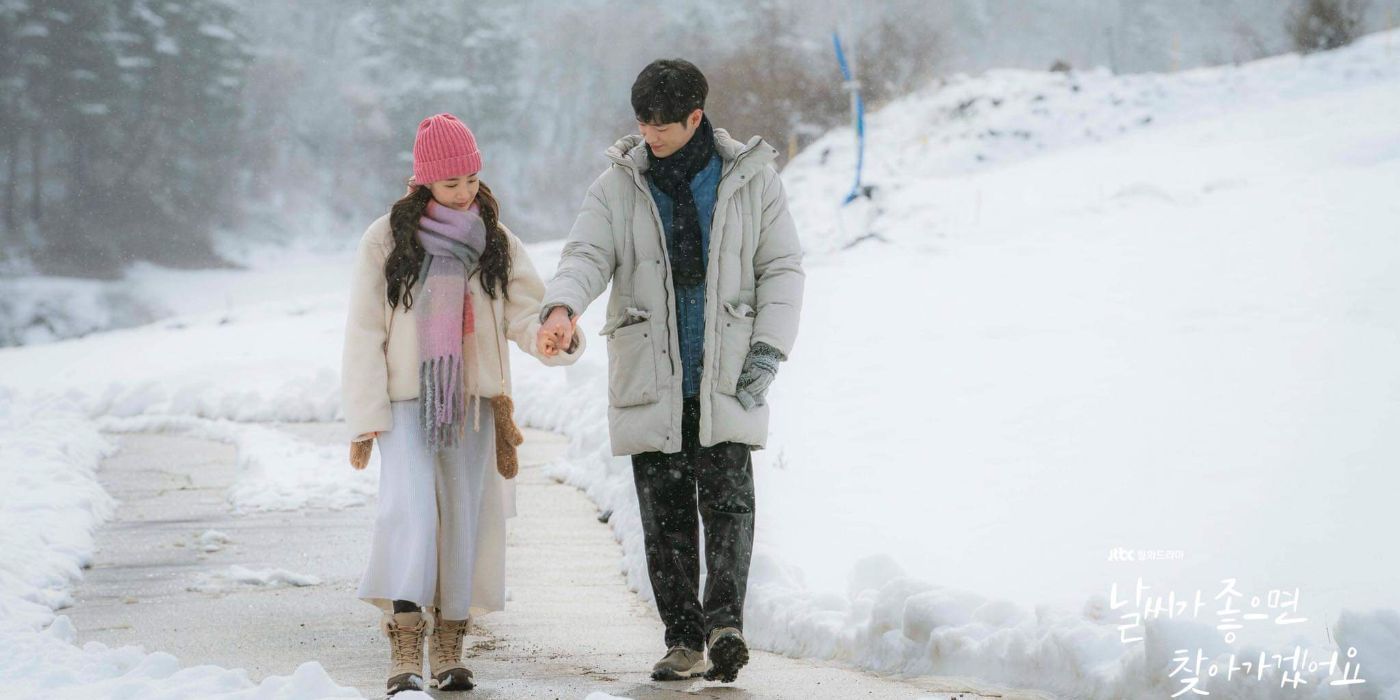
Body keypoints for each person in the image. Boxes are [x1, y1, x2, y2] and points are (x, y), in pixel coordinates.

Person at [534, 58, 805, 683]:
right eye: (642, 124)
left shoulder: (750, 179)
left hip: (727, 371)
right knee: (665, 519)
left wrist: (769, 348)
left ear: (696, 117)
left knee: (730, 506)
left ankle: (725, 625)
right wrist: (562, 305)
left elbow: (782, 268)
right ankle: (684, 639)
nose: (651, 136)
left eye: (664, 126)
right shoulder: (618, 185)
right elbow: (587, 253)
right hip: (650, 375)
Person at [341, 112, 583, 695]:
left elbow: (527, 313)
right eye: (453, 183)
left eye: (472, 178)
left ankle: (450, 640)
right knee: (412, 515)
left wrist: (553, 334)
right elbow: (364, 330)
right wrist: (366, 416)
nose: (466, 191)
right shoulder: (386, 239)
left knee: (464, 520)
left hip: (473, 402)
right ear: (424, 182)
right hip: (406, 404)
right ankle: (404, 637)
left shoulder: (495, 241)